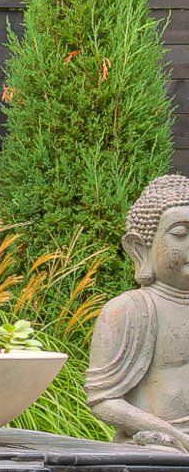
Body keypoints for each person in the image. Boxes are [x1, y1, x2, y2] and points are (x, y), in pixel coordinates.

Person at [85, 173, 189, 450]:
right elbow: (103, 400)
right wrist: (176, 436)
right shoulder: (130, 310)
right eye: (181, 234)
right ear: (141, 248)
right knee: (161, 455)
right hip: (158, 442)